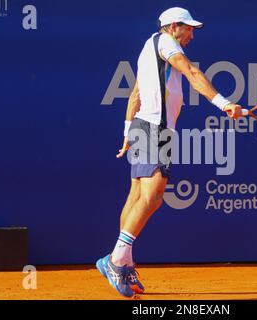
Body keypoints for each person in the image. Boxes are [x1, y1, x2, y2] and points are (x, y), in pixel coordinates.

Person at [96, 7, 243, 298]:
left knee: (137, 195)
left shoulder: (148, 48)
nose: (191, 35)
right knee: (153, 196)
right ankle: (116, 259)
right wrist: (223, 103)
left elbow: (136, 92)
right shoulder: (167, 43)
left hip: (143, 126)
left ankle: (121, 261)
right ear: (173, 26)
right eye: (188, 28)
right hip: (155, 129)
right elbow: (191, 72)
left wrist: (128, 132)